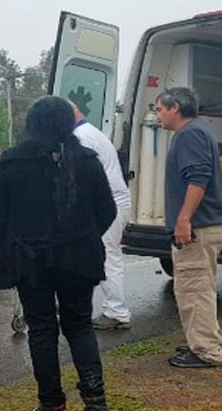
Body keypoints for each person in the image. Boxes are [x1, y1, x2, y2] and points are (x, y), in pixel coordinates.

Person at [0, 96, 117, 411]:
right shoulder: (87, 160)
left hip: (31, 261)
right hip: (78, 257)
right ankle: (96, 401)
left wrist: (3, 259)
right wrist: (84, 235)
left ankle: (52, 407)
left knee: (42, 330)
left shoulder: (11, 162)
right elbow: (107, 211)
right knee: (80, 325)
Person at [156, 87, 222, 368]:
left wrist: (184, 218)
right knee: (202, 287)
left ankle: (206, 351)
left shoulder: (189, 135)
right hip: (205, 226)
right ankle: (210, 341)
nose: (158, 115)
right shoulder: (197, 132)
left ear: (175, 107)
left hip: (197, 227)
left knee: (193, 289)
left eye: (160, 109)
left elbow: (197, 178)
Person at [70, 102, 133, 330]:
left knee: (108, 259)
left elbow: (80, 177)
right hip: (114, 201)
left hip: (109, 204)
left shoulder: (81, 137)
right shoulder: (91, 132)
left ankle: (117, 312)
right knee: (100, 256)